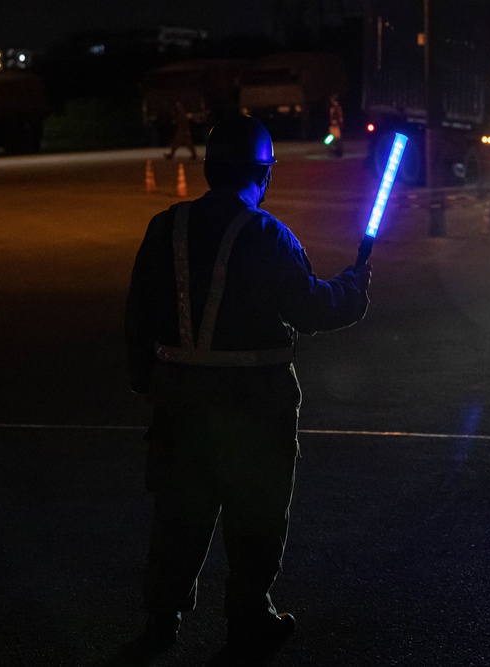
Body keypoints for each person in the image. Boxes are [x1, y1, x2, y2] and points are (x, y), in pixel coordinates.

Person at [124, 114, 370, 663]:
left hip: (180, 400)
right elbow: (311, 307)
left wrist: (149, 381)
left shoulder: (165, 227)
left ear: (210, 167)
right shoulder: (267, 235)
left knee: (178, 511)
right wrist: (354, 285)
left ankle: (162, 617)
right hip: (255, 407)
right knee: (256, 512)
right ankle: (249, 614)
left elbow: (139, 311)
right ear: (264, 172)